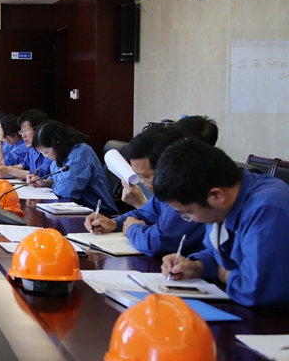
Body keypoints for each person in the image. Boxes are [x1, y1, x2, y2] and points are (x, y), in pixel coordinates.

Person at [155, 139, 289, 308]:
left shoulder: (267, 208)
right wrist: (197, 266)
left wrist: (223, 274)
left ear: (216, 196)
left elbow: (256, 290)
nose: (192, 219)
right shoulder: (223, 203)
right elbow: (221, 255)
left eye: (188, 212)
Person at [84, 125, 205, 256]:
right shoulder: (166, 190)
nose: (142, 182)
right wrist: (114, 223)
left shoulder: (188, 192)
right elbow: (144, 214)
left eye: (146, 177)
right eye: (139, 176)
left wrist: (131, 228)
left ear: (169, 167)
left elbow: (157, 242)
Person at [30, 121, 118, 214]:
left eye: (45, 152)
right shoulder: (62, 153)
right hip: (76, 210)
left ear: (57, 144)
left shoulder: (79, 153)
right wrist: (44, 182)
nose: (45, 156)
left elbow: (66, 192)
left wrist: (56, 185)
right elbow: (57, 180)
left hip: (99, 213)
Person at [1, 109, 53, 180]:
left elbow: (42, 173)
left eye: (26, 131)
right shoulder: (32, 149)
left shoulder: (50, 148)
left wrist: (8, 170)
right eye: (21, 132)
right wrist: (3, 169)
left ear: (39, 129)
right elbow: (24, 165)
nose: (23, 135)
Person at [0, 113, 28, 178]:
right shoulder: (15, 144)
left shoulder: (23, 147)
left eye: (4, 137)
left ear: (14, 134)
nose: (4, 140)